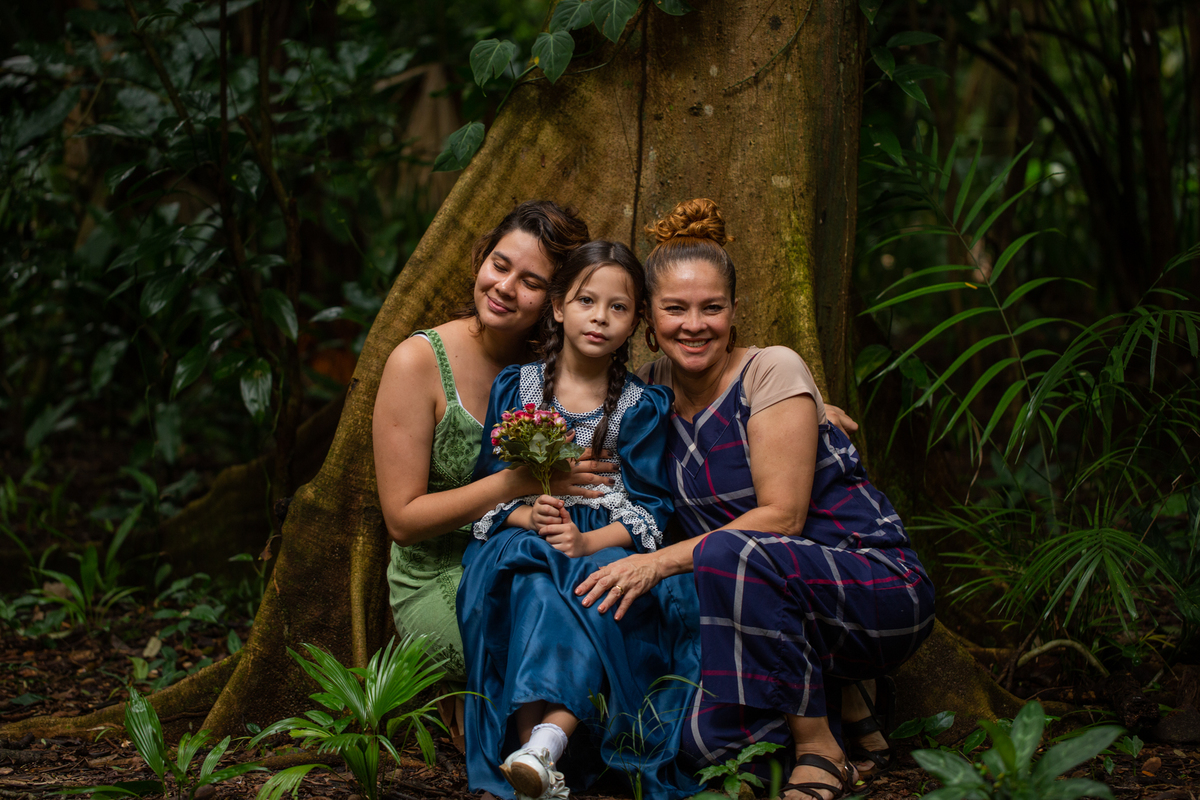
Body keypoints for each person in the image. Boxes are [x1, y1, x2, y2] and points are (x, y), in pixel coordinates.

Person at [575, 199, 936, 800]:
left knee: (732, 552)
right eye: (675, 309)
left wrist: (657, 561)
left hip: (875, 585)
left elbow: (782, 519)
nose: (695, 325)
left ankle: (822, 750)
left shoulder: (771, 371)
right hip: (759, 614)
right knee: (696, 751)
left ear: (735, 312)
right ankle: (843, 687)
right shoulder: (650, 393)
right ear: (648, 321)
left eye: (712, 308)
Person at [458, 241, 702, 800]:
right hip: (521, 536)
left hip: (604, 539)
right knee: (535, 588)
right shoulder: (514, 387)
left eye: (618, 307)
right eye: (586, 300)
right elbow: (487, 487)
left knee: (591, 587)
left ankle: (541, 751)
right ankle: (540, 751)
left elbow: (653, 508)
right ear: (559, 308)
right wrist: (526, 511)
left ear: (636, 321)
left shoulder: (643, 405)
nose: (600, 317)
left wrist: (586, 538)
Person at [374, 200, 612, 742]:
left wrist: (792, 407)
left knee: (592, 624)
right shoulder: (417, 362)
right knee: (521, 648)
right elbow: (402, 520)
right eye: (500, 265)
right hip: (437, 572)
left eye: (530, 281)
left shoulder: (563, 360)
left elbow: (642, 386)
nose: (505, 287)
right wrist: (515, 484)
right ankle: (479, 711)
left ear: (556, 301)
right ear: (481, 258)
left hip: (530, 552)